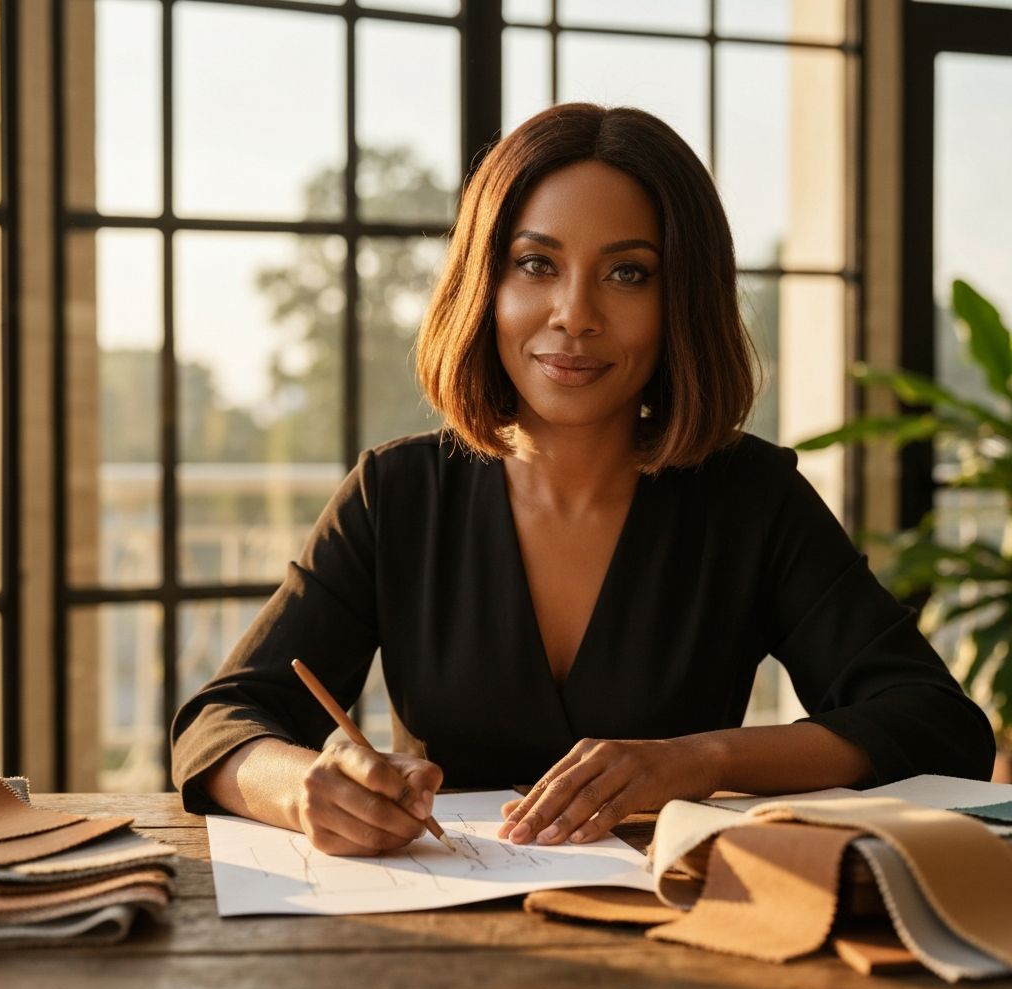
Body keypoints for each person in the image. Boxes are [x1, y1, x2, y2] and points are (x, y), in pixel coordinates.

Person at [171, 103, 995, 857]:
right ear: (485, 286)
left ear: (683, 301)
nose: (575, 314)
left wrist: (697, 761)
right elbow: (220, 723)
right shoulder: (398, 495)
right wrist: (303, 792)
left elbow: (936, 726)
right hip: (434, 930)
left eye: (628, 272)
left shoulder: (752, 498)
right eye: (536, 264)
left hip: (680, 934)